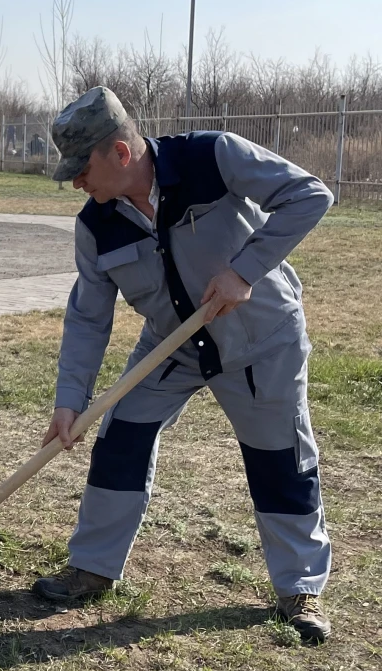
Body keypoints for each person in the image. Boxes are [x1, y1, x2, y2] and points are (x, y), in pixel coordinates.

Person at [35, 87, 335, 642]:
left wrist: (244, 271)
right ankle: (93, 569)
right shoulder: (96, 226)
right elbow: (87, 320)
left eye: (82, 168)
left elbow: (309, 194)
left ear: (120, 154)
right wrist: (69, 400)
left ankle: (300, 589)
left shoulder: (212, 158)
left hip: (259, 340)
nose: (76, 181)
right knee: (120, 437)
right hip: (171, 344)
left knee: (279, 459)